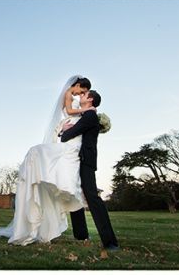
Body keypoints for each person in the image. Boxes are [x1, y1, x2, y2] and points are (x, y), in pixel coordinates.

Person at [0, 75, 94, 245]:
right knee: (44, 159)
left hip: (75, 144)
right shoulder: (69, 95)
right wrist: (84, 112)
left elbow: (71, 119)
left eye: (85, 93)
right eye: (83, 91)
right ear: (78, 85)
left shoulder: (82, 107)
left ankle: (78, 230)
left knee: (70, 183)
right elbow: (69, 112)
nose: (82, 94)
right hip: (70, 140)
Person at [61, 90, 120, 251]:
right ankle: (81, 235)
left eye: (83, 95)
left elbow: (69, 135)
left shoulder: (90, 116)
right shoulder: (84, 116)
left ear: (90, 100)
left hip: (86, 161)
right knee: (75, 194)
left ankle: (110, 242)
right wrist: (64, 129)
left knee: (92, 197)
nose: (80, 96)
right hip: (78, 160)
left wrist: (64, 131)